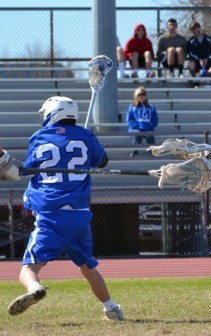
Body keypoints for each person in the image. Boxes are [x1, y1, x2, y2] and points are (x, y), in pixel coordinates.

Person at [8, 96, 123, 320]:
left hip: (51, 213)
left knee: (28, 269)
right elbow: (103, 161)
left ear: (52, 113)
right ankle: (111, 309)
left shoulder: (40, 137)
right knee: (88, 268)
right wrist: (86, 140)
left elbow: (30, 169)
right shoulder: (86, 135)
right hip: (79, 214)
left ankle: (34, 289)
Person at [126, 86, 159, 157]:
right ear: (136, 96)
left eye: (143, 94)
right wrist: (139, 126)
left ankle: (152, 151)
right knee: (137, 133)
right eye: (139, 94)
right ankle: (134, 151)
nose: (141, 96)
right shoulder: (132, 106)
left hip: (148, 128)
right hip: (136, 128)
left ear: (146, 96)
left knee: (150, 133)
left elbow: (155, 120)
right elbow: (129, 120)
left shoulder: (151, 107)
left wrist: (149, 126)